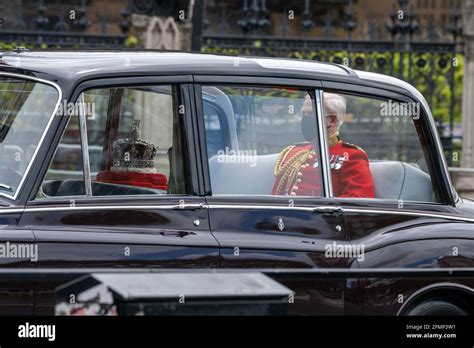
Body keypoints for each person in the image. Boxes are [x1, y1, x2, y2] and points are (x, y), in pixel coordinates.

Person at [272, 92, 375, 198]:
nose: (305, 119)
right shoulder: (293, 153)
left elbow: (357, 203)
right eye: (304, 114)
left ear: (332, 120)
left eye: (311, 114)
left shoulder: (351, 157)